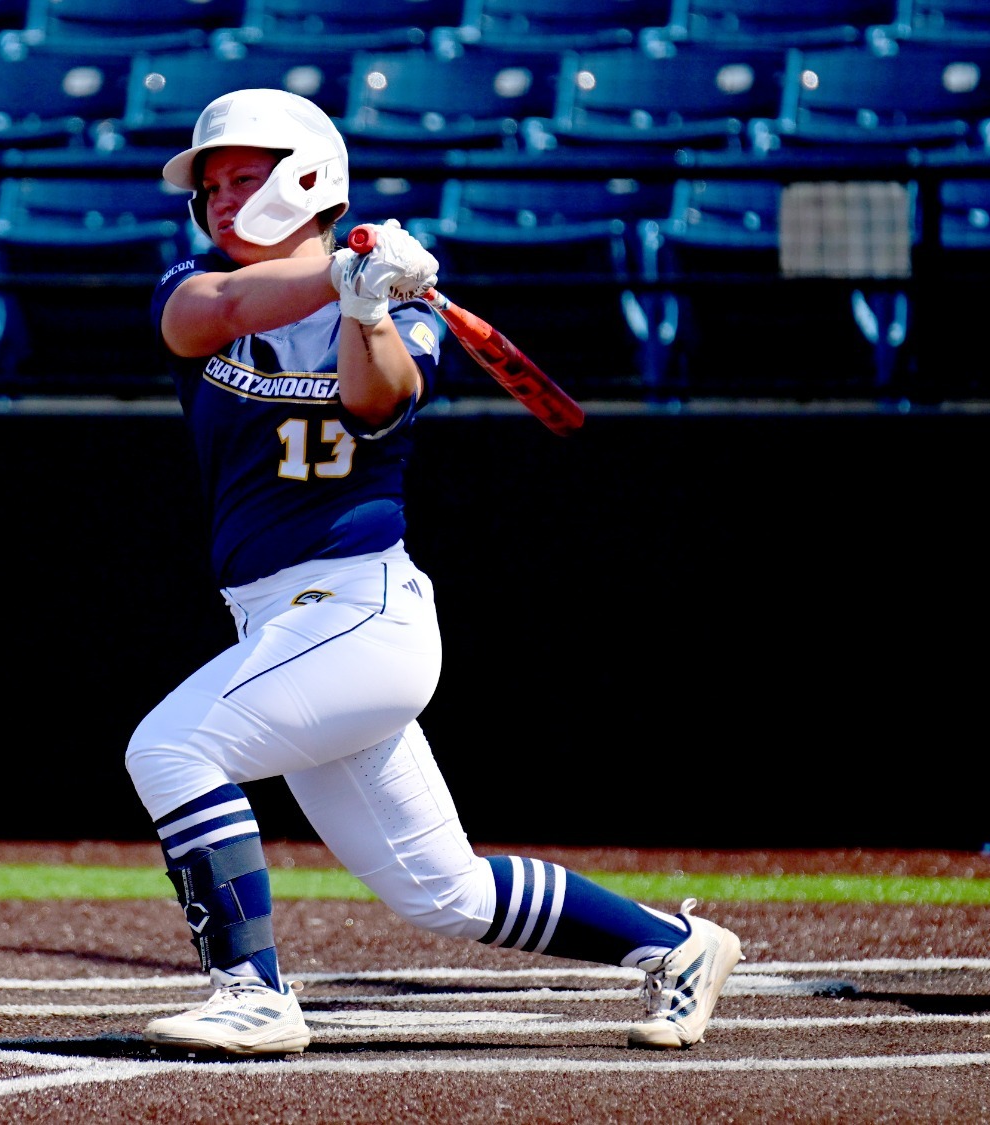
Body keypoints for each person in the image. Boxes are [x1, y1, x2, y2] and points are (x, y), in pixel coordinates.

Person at [127, 88, 743, 1056]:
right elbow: (214, 314)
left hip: (356, 612)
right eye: (209, 184)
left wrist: (367, 305)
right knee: (440, 891)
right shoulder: (191, 287)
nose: (218, 197)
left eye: (243, 175)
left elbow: (379, 403)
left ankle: (250, 994)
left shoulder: (387, 312)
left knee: (170, 751)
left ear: (306, 177)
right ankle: (675, 946)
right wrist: (344, 275)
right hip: (280, 623)